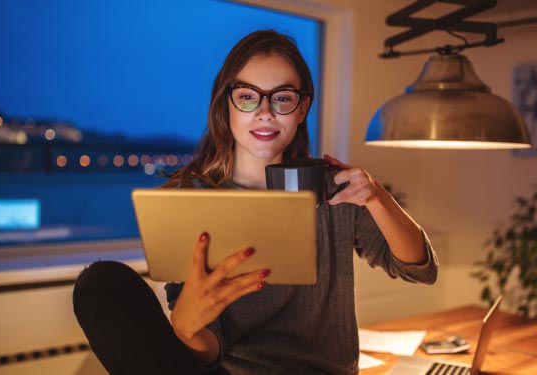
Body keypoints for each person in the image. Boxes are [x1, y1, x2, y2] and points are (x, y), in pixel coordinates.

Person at [73, 29, 438, 375]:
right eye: (248, 96)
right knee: (100, 284)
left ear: (301, 108)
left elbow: (420, 269)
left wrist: (377, 195)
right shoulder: (190, 200)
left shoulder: (333, 189)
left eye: (282, 97)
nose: (265, 111)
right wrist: (185, 329)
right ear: (227, 104)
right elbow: (209, 352)